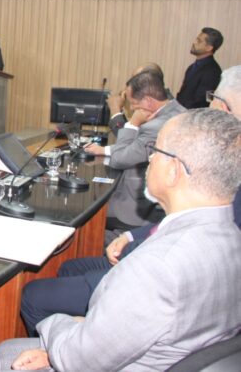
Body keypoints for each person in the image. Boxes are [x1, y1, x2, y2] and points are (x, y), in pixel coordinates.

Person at [0, 108, 241, 371]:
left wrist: (66, 323)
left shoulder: (157, 267)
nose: (149, 159)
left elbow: (77, 360)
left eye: (155, 151)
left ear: (174, 171)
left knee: (5, 352)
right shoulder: (232, 238)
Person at [19, 65, 241, 336]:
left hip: (144, 254)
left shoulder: (177, 129)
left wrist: (77, 328)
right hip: (149, 236)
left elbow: (123, 156)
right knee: (69, 267)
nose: (151, 158)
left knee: (36, 295)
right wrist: (134, 236)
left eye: (157, 153)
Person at [84, 69, 185, 229]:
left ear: (148, 101)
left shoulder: (156, 126)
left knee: (87, 212)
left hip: (138, 208)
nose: (131, 108)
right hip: (158, 199)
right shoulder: (177, 109)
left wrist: (132, 124)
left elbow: (120, 159)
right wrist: (105, 150)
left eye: (133, 103)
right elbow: (136, 147)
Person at [176, 27, 223, 109]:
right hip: (180, 112)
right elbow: (184, 95)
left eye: (199, 41)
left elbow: (204, 102)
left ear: (209, 48)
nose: (194, 42)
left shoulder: (213, 72)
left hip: (192, 115)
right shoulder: (192, 67)